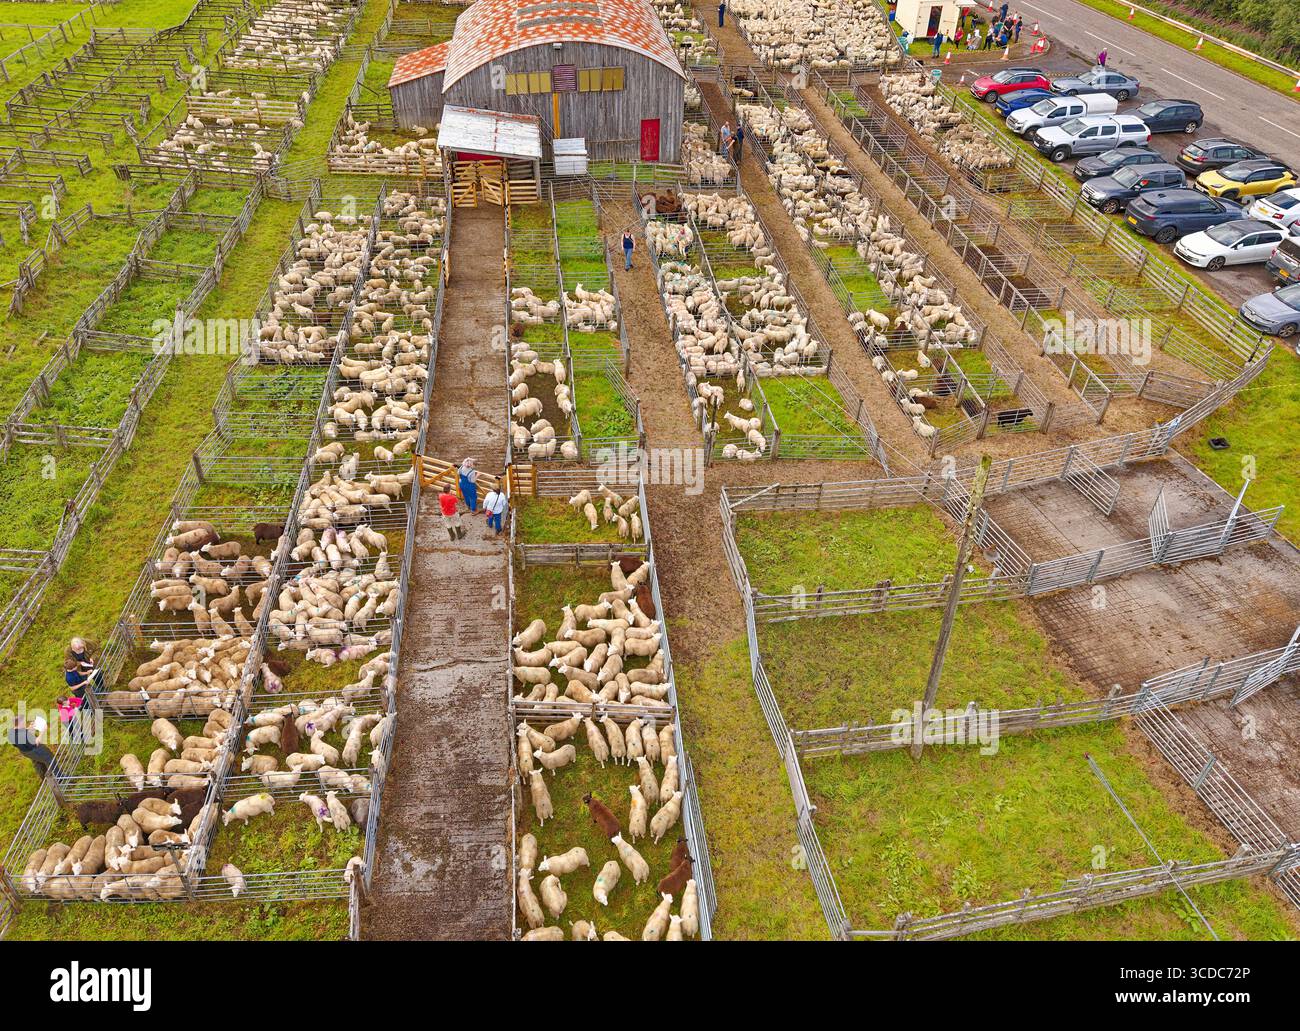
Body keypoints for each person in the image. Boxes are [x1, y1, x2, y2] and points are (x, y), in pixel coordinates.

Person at [9, 713, 60, 782]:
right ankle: (60, 777)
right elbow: (37, 741)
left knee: (38, 762)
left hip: (25, 752)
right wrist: (43, 731)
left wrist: (29, 728)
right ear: (19, 723)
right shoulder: (23, 735)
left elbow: (15, 744)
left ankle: (44, 779)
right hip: (35, 749)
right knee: (50, 759)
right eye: (23, 722)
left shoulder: (11, 732)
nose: (25, 723)